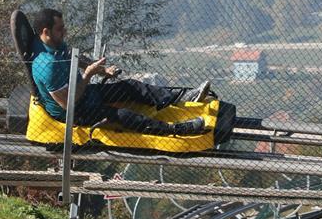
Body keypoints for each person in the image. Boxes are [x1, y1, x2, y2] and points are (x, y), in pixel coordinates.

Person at [30, 8, 210, 136]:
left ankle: (180, 98)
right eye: (60, 29)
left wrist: (102, 70)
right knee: (122, 115)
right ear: (46, 32)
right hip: (76, 112)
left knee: (129, 86)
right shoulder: (47, 65)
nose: (64, 32)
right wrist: (89, 75)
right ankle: (175, 130)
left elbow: (74, 57)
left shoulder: (55, 44)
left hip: (86, 93)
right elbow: (68, 104)